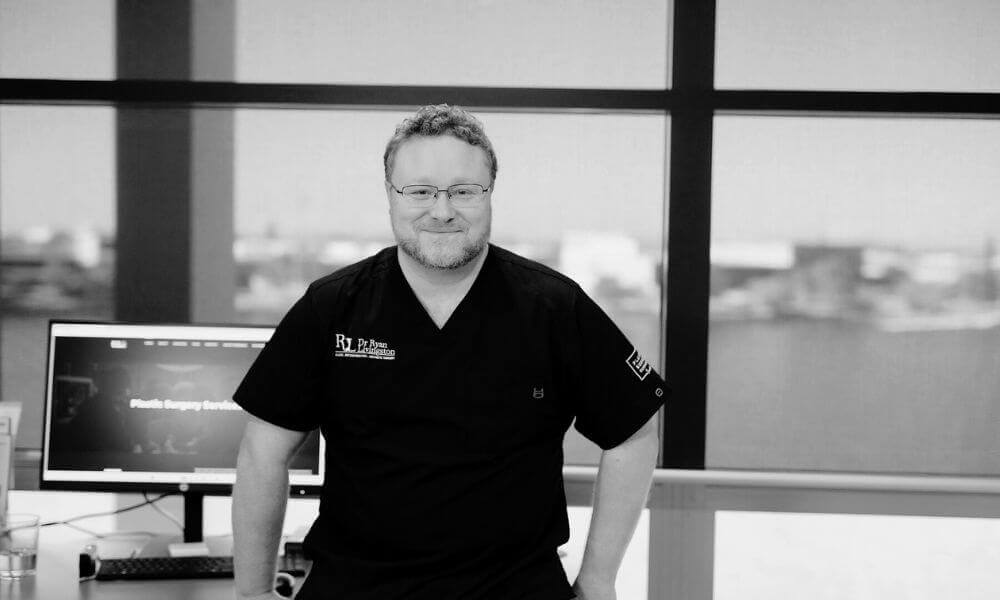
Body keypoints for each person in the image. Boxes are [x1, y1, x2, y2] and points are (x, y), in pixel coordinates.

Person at [231, 104, 668, 600]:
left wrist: (599, 578)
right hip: (354, 587)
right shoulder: (332, 306)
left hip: (513, 589)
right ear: (391, 195)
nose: (442, 210)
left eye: (464, 191)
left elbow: (634, 429)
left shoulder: (553, 307)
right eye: (420, 191)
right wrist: (253, 593)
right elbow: (262, 451)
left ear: (489, 195)